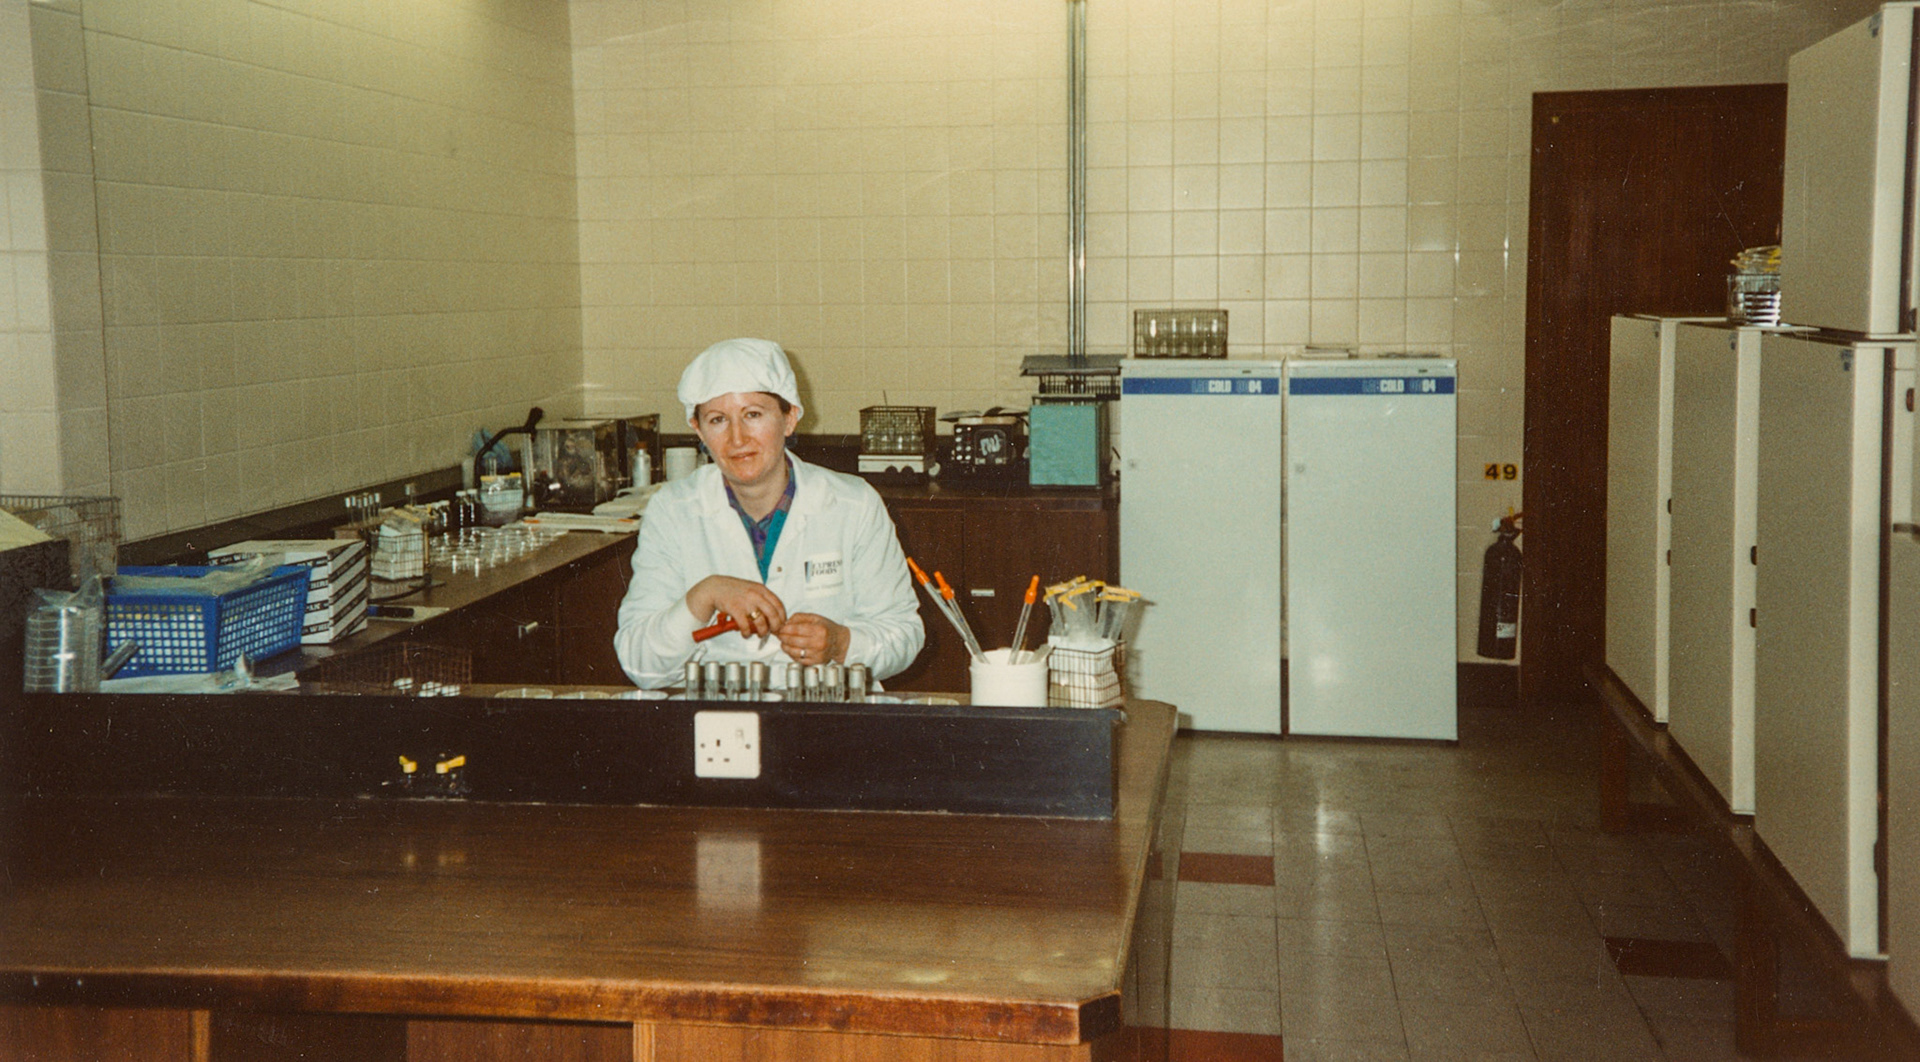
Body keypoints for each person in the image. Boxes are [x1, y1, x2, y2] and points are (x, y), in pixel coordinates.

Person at [614, 338, 925, 690]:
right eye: (718, 420)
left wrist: (841, 644)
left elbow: (904, 634)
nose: (737, 438)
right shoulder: (672, 510)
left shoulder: (853, 504)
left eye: (753, 415)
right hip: (720, 713)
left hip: (828, 710)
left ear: (789, 418)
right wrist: (704, 595)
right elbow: (641, 665)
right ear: (698, 430)